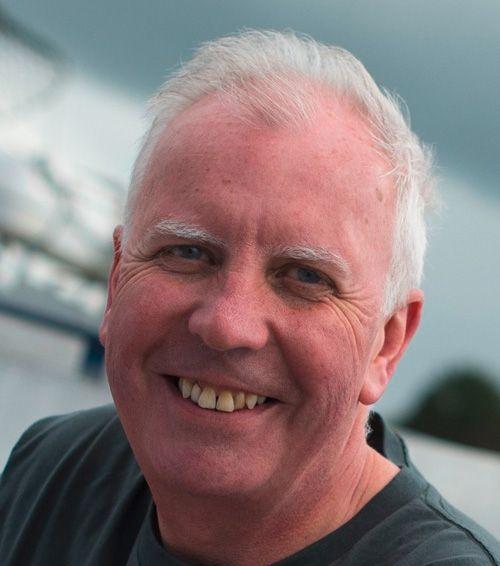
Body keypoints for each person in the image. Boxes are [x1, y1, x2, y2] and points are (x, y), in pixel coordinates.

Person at [0, 30, 499, 566]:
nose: (226, 324)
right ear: (116, 281)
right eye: (188, 252)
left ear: (386, 345)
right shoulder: (51, 475)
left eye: (304, 277)